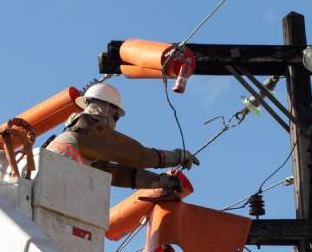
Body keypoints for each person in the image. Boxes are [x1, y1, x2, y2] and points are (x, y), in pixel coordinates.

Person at [46, 82, 199, 192]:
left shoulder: (77, 136)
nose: (115, 123)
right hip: (49, 190)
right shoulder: (90, 130)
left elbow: (114, 173)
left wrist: (158, 181)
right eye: (116, 117)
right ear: (105, 110)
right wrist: (178, 156)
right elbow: (139, 156)